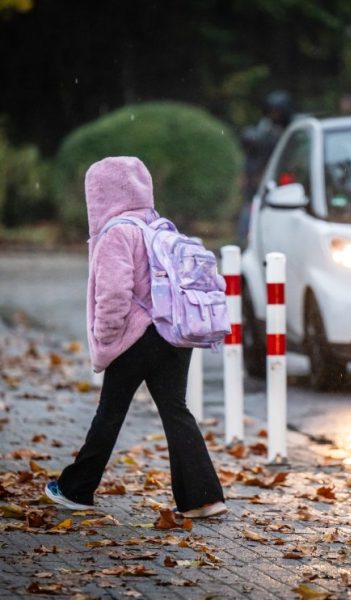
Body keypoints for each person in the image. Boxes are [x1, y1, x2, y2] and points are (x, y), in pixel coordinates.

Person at [45, 156, 226, 518]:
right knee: (176, 411)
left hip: (136, 336)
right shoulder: (161, 227)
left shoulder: (116, 232)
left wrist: (106, 337)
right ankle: (203, 498)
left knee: (110, 412)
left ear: (100, 194)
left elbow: (113, 294)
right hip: (174, 333)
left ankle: (76, 489)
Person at [238, 90, 294, 240]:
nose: (274, 115)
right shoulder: (265, 129)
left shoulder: (293, 130)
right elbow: (256, 156)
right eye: (272, 111)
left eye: (277, 112)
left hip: (285, 180)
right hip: (262, 180)